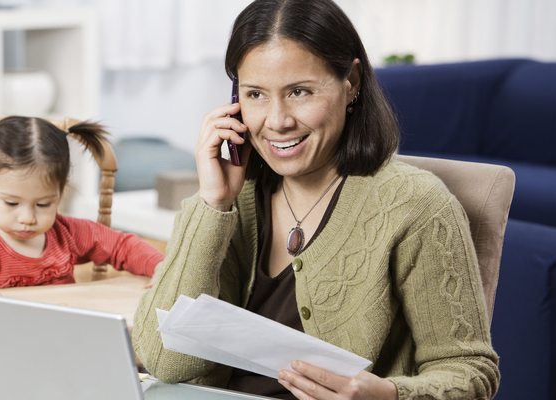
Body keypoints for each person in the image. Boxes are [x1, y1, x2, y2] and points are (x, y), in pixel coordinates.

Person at [132, 0, 499, 399]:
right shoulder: (233, 197)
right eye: (255, 94)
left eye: (300, 91)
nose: (277, 121)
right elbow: (163, 362)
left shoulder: (415, 205)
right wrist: (213, 204)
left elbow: (471, 373)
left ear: (351, 82)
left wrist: (388, 395)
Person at [0, 96, 164, 307]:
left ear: (60, 191)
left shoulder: (68, 234)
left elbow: (123, 246)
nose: (27, 218)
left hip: (60, 343)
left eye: (43, 205)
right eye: (11, 203)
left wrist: (159, 266)